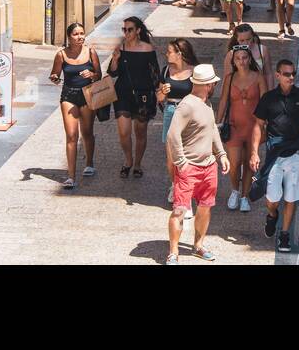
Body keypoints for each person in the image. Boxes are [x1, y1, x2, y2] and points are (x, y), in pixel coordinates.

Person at [250, 58, 299, 253]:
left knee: (291, 197)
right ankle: (272, 215)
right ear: (278, 75)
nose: (291, 77)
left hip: (297, 153)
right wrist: (254, 152)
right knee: (272, 198)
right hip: (274, 154)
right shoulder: (268, 99)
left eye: (293, 73)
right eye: (287, 74)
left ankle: (285, 234)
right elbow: (258, 125)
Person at [165, 64, 230, 264]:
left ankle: (198, 246)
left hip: (209, 166)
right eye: (213, 83)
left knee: (205, 207)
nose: (214, 85)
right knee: (179, 210)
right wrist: (181, 162)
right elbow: (172, 135)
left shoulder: (206, 103)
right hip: (189, 167)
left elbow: (212, 130)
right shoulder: (187, 105)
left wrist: (221, 154)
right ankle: (173, 252)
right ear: (207, 84)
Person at [106, 16, 161, 178]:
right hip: (122, 94)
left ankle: (137, 164)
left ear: (138, 31)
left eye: (130, 29)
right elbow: (113, 72)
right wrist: (115, 59)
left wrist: (159, 92)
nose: (126, 33)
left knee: (140, 132)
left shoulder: (148, 49)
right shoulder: (120, 48)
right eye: (124, 29)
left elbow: (155, 74)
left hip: (143, 95)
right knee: (124, 132)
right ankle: (128, 160)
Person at [48, 21, 101, 188]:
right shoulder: (61, 55)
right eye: (76, 34)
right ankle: (70, 176)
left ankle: (90, 163)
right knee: (71, 136)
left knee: (87, 132)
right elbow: (54, 73)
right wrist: (55, 78)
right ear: (69, 37)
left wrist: (91, 74)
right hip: (69, 95)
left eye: (82, 33)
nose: (80, 37)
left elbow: (99, 75)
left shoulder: (91, 52)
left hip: (87, 95)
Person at [217, 43, 264, 212]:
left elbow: (264, 101)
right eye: (238, 58)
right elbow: (223, 100)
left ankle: (245, 196)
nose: (241, 61)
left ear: (249, 59)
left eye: (244, 58)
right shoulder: (230, 78)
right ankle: (235, 191)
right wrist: (218, 122)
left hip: (253, 128)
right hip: (234, 125)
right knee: (235, 163)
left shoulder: (258, 77)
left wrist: (265, 123)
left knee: (249, 162)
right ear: (234, 61)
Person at [156, 38, 200, 210]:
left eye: (169, 51)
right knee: (171, 158)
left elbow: (203, 96)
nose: (167, 54)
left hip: (189, 114)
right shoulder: (166, 70)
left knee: (188, 155)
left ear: (179, 54)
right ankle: (176, 185)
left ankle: (185, 189)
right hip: (170, 111)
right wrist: (162, 92)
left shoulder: (195, 71)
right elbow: (159, 98)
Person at [227, 23, 273, 91]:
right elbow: (227, 78)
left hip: (260, 89)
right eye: (242, 40)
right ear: (236, 39)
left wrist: (270, 92)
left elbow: (268, 74)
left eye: (248, 39)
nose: (246, 43)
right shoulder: (231, 54)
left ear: (253, 37)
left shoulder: (263, 50)